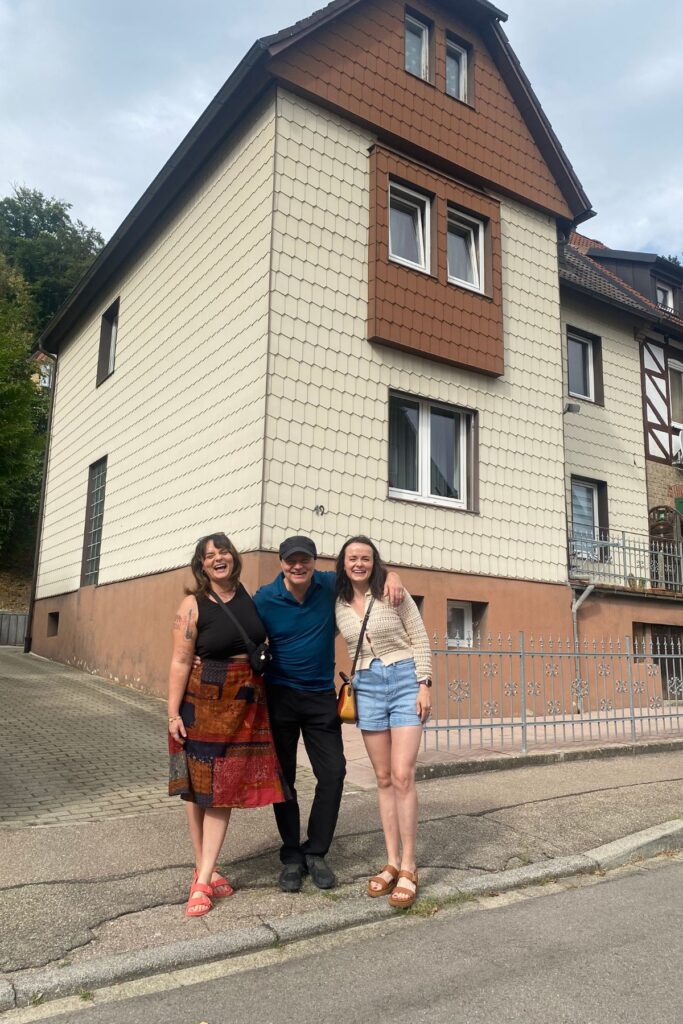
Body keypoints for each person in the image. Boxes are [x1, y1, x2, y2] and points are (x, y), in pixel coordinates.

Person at [252, 536, 404, 893]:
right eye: (292, 561)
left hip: (320, 696)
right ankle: (291, 855)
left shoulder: (326, 584)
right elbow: (239, 630)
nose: (298, 566)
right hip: (279, 697)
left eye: (304, 560)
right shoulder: (264, 598)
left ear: (313, 563)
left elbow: (365, 574)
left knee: (334, 772)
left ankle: (316, 851)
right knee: (283, 778)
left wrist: (393, 575)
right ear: (282, 563)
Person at [168, 533, 287, 917]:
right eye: (209, 556)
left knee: (223, 788)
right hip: (199, 704)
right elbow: (180, 661)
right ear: (201, 566)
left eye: (223, 552)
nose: (218, 559)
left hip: (243, 704)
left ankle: (202, 877)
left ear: (234, 558)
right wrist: (172, 714)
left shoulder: (251, 597)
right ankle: (207, 870)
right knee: (196, 789)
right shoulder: (193, 605)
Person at [334, 536, 432, 909]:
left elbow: (420, 637)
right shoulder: (338, 601)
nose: (358, 563)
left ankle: (409, 865)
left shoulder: (394, 592)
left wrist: (425, 684)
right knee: (383, 778)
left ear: (375, 562)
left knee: (403, 774)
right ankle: (391, 861)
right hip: (367, 687)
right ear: (343, 564)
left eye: (365, 558)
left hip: (406, 679)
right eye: (352, 558)